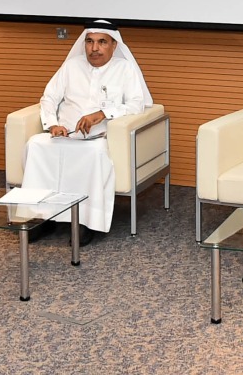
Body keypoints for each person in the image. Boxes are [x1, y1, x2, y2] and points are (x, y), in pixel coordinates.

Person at [21, 20, 152, 246]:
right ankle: (42, 216)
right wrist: (52, 125)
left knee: (93, 153)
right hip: (64, 134)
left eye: (102, 42)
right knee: (35, 144)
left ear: (113, 45)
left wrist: (102, 113)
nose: (95, 48)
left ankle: (84, 221)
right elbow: (49, 98)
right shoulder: (72, 66)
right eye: (90, 42)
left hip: (98, 138)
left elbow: (136, 104)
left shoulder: (124, 69)